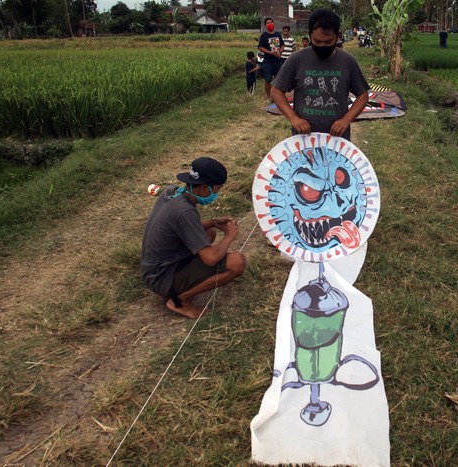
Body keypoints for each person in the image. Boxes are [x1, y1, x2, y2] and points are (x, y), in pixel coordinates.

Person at [141, 157, 246, 319]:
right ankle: (178, 300)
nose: (216, 194)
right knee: (237, 262)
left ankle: (189, 278)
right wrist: (229, 237)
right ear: (204, 188)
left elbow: (181, 225)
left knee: (210, 231)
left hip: (154, 268)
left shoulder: (172, 192)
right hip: (163, 277)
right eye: (217, 189)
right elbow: (211, 259)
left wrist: (213, 222)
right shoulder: (185, 212)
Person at [271, 9, 370, 142]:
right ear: (310, 35)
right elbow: (276, 91)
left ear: (338, 36)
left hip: (338, 140)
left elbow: (363, 96)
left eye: (328, 42)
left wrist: (346, 120)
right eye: (317, 42)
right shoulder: (296, 59)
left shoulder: (348, 61)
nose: (322, 46)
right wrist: (293, 118)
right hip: (303, 139)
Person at [258, 17, 285, 99]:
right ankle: (269, 95)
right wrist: (270, 52)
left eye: (271, 22)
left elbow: (282, 45)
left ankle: (278, 95)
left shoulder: (278, 34)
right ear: (265, 25)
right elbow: (260, 47)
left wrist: (280, 51)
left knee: (279, 79)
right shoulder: (264, 35)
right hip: (268, 61)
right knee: (268, 79)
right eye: (268, 23)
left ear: (274, 23)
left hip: (278, 60)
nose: (270, 24)